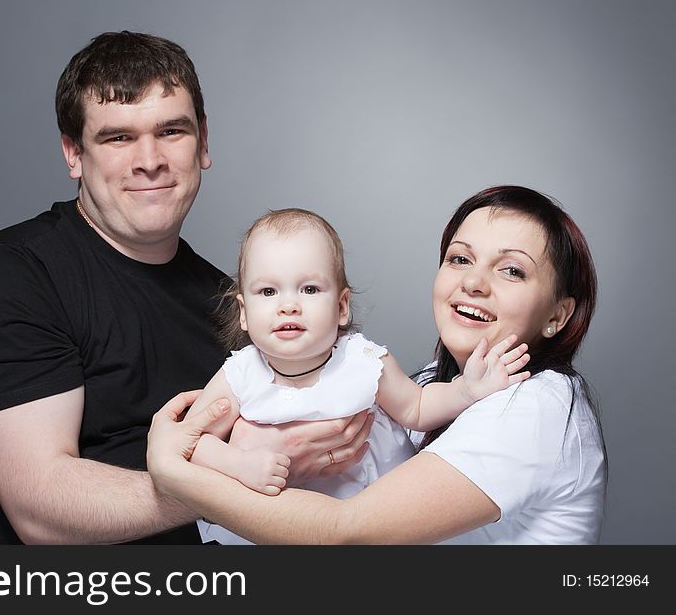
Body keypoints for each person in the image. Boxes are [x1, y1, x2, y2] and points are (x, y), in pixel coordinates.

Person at [0, 31, 369, 544]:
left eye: (171, 131)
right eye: (118, 137)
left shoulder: (239, 305)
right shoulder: (11, 279)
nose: (150, 159)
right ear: (73, 154)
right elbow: (43, 511)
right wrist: (256, 478)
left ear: (204, 141)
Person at [148, 185, 608, 544]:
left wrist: (174, 472)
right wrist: (246, 454)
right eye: (460, 258)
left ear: (557, 315)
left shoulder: (539, 405)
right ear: (244, 310)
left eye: (511, 270)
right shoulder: (431, 378)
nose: (473, 282)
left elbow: (347, 531)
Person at [187, 208, 531, 544]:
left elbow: (417, 407)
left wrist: (468, 390)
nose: (288, 305)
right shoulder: (240, 374)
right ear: (244, 313)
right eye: (268, 292)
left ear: (341, 307)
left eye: (309, 290)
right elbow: (193, 443)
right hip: (275, 527)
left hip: (369, 520)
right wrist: (238, 464)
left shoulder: (363, 362)